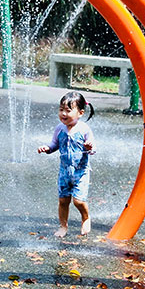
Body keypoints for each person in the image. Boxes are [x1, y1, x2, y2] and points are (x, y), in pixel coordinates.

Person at [38, 91, 95, 237]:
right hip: (64, 172)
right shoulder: (59, 129)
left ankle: (86, 218)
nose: (63, 113)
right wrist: (47, 148)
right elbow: (54, 144)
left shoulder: (84, 130)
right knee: (63, 200)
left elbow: (93, 148)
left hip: (80, 171)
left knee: (78, 201)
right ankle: (63, 226)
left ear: (80, 113)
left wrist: (89, 147)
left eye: (68, 110)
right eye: (61, 109)